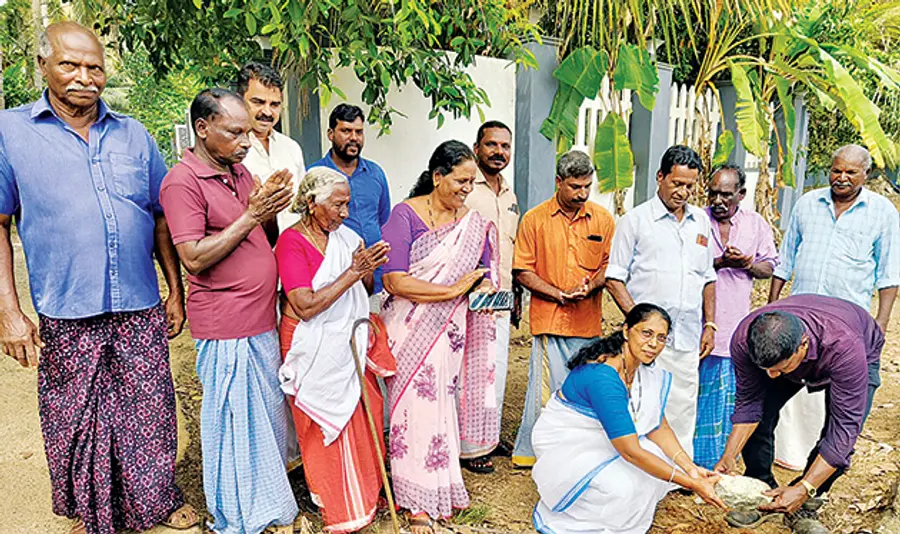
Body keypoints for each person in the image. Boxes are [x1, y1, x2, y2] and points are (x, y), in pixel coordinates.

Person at [0, 22, 197, 534]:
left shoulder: (134, 134)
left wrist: (174, 290)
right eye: (70, 64)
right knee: (76, 416)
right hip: (66, 306)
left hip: (138, 302)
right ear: (42, 65)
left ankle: (155, 501)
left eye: (95, 67)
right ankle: (92, 512)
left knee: (149, 409)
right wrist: (10, 312)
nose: (84, 77)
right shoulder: (10, 132)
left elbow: (159, 217)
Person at [160, 88, 297, 534]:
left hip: (260, 318)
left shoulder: (240, 172)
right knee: (235, 425)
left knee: (266, 419)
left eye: (248, 132)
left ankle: (269, 503)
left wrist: (270, 203)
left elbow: (263, 237)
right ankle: (238, 515)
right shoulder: (182, 181)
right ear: (202, 128)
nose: (246, 141)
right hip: (226, 324)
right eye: (235, 132)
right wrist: (252, 214)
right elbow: (194, 257)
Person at [380, 140, 498, 533]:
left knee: (442, 407)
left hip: (451, 333)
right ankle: (415, 499)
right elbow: (394, 280)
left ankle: (441, 487)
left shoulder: (473, 223)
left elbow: (482, 274)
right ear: (437, 177)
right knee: (413, 412)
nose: (467, 189)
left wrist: (484, 288)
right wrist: (450, 291)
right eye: (461, 180)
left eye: (472, 182)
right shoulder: (404, 215)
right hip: (409, 329)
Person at [532, 304, 726, 534]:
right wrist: (691, 483)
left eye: (661, 338)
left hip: (610, 442)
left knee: (657, 462)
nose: (653, 344)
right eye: (646, 333)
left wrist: (691, 469)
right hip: (571, 449)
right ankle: (589, 517)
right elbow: (630, 451)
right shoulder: (604, 377)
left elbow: (657, 426)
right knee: (623, 489)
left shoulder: (643, 369)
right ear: (626, 331)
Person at [769, 144, 899, 473]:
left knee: (840, 405)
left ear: (866, 174)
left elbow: (889, 273)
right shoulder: (807, 203)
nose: (841, 177)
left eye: (850, 172)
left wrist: (881, 322)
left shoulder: (883, 212)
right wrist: (773, 304)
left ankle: (814, 483)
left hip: (845, 328)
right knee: (778, 392)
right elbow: (785, 259)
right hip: (799, 321)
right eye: (836, 170)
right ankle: (779, 462)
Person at [275, 166, 392, 533]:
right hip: (309, 341)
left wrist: (367, 268)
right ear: (312, 203)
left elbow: (364, 289)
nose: (345, 213)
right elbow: (305, 306)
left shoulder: (348, 238)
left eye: (347, 204)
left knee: (363, 413)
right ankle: (337, 502)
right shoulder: (291, 241)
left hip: (347, 340)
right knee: (321, 421)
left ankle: (367, 493)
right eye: (338, 205)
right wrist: (353, 272)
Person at [715, 295, 883, 533]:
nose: (772, 376)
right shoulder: (744, 340)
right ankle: (762, 494)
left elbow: (843, 431)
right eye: (766, 369)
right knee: (762, 413)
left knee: (838, 437)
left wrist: (805, 487)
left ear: (803, 344)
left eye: (780, 368)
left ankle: (805, 503)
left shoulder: (844, 347)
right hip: (802, 348)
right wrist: (729, 455)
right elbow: (749, 403)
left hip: (855, 348)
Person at [606, 145, 717, 458]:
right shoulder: (636, 220)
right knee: (642, 405)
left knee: (682, 408)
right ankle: (642, 468)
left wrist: (709, 324)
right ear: (660, 177)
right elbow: (614, 278)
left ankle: (679, 472)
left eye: (689, 186)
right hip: (646, 341)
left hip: (687, 337)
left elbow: (708, 277)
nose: (683, 192)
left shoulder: (701, 222)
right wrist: (641, 324)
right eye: (676, 183)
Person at [510, 149, 615, 469]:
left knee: (584, 390)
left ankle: (579, 456)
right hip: (550, 321)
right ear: (559, 182)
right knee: (545, 392)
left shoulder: (603, 219)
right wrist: (556, 294)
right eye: (575, 187)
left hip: (588, 322)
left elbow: (611, 265)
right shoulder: (535, 219)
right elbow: (522, 270)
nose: (582, 194)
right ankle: (538, 455)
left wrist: (591, 286)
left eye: (587, 187)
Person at [693, 165, 778, 470]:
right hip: (693, 325)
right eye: (713, 193)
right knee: (692, 397)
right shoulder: (695, 219)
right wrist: (718, 262)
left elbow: (769, 268)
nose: (718, 200)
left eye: (726, 195)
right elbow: (684, 264)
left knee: (724, 400)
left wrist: (746, 264)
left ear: (741, 194)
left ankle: (715, 464)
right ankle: (685, 463)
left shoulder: (755, 225)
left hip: (732, 328)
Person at [461, 120, 519, 469]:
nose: (499, 152)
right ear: (477, 148)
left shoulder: (509, 194)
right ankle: (470, 446)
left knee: (496, 369)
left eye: (504, 146)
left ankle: (489, 437)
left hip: (502, 293)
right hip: (471, 294)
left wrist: (516, 293)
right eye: (491, 144)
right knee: (472, 372)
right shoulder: (468, 188)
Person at [309, 104, 391, 293]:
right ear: (331, 134)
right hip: (334, 279)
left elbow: (383, 221)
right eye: (346, 131)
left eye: (359, 132)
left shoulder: (375, 173)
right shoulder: (315, 175)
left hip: (376, 278)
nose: (354, 138)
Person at [238, 61, 306, 239]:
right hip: (250, 249)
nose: (267, 112)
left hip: (292, 250)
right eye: (258, 102)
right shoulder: (230, 149)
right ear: (239, 100)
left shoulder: (291, 148)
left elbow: (302, 206)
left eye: (275, 104)